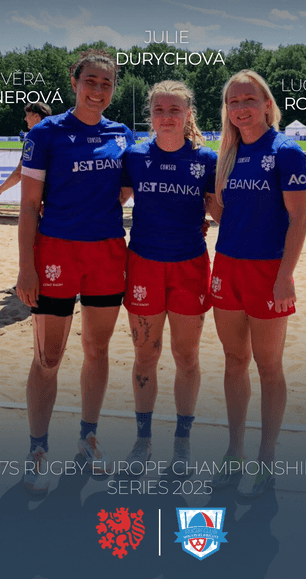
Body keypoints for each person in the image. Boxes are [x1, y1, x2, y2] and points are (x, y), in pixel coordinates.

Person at [17, 50, 135, 495]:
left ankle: (88, 438)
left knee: (97, 350)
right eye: (91, 81)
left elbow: (125, 190)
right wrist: (26, 267)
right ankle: (37, 448)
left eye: (107, 83)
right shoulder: (46, 133)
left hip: (106, 253)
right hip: (55, 254)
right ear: (74, 81)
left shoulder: (122, 134)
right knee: (48, 358)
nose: (98, 90)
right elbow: (29, 205)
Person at [209, 70, 306, 499]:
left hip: (268, 271)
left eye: (248, 99)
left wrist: (286, 275)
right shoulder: (227, 155)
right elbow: (225, 213)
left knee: (268, 367)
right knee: (234, 361)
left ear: (267, 104)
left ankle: (266, 460)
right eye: (233, 102)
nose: (240, 108)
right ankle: (235, 451)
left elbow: (299, 219)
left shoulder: (286, 151)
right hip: (226, 266)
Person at [121, 80, 219, 472]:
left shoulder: (206, 160)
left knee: (186, 356)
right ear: (151, 115)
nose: (166, 117)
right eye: (159, 110)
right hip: (143, 264)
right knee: (146, 355)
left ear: (188, 114)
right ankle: (143, 441)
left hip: (189, 266)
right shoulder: (134, 156)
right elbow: (110, 201)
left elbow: (220, 212)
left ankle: (182, 443)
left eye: (174, 109)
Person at [0, 102, 52, 203]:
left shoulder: (34, 137)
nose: (25, 119)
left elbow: (19, 173)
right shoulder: (59, 133)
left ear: (36, 116)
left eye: (27, 116)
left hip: (50, 197)